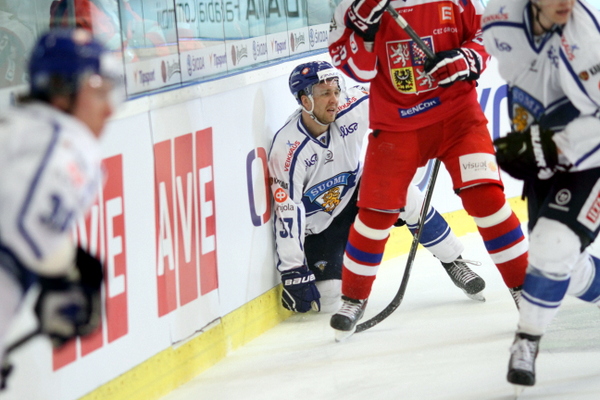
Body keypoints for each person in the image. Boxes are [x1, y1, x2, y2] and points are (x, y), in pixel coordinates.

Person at [327, 0, 529, 337]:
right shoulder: (353, 5)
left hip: (459, 119)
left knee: (487, 200)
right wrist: (364, 31)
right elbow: (358, 71)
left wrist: (466, 59)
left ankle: (525, 289)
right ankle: (353, 298)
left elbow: (489, 32)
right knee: (375, 214)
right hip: (396, 126)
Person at [268, 60, 486, 315]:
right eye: (325, 93)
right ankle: (346, 265)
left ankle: (454, 261)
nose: (334, 99)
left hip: (356, 196)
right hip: (320, 228)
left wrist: (444, 88)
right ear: (305, 101)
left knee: (403, 193)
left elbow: (395, 92)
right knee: (327, 299)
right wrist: (293, 270)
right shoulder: (288, 148)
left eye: (336, 91)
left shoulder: (352, 105)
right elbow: (288, 211)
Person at [482, 0, 600, 389]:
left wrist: (546, 146)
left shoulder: (589, 38)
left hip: (589, 155)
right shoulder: (498, 18)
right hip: (542, 150)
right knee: (566, 263)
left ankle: (527, 341)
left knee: (554, 245)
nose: (565, 2)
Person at [0, 28, 120, 388]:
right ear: (61, 91)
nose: (109, 109)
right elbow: (25, 231)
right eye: (97, 93)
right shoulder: (69, 144)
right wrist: (65, 272)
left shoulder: (21, 127)